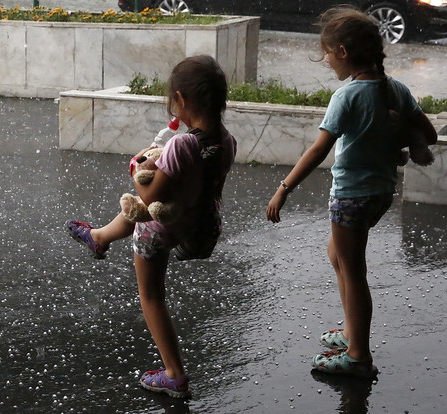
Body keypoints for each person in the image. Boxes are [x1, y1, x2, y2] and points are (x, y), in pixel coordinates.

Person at [266, 6, 437, 378]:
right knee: (338, 256)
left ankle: (359, 355)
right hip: (379, 194)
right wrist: (398, 122)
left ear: (343, 52)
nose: (326, 60)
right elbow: (431, 135)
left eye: (328, 53)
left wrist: (283, 189)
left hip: (351, 197)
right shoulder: (396, 89)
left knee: (353, 270)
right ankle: (351, 332)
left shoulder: (347, 97)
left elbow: (317, 151)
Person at [65, 55, 237, 398]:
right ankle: (98, 236)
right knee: (139, 213)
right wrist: (164, 162)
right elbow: (195, 182)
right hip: (201, 226)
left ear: (181, 100)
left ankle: (174, 374)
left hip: (164, 231)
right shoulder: (226, 140)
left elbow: (150, 192)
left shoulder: (182, 144)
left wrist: (138, 165)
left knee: (152, 294)